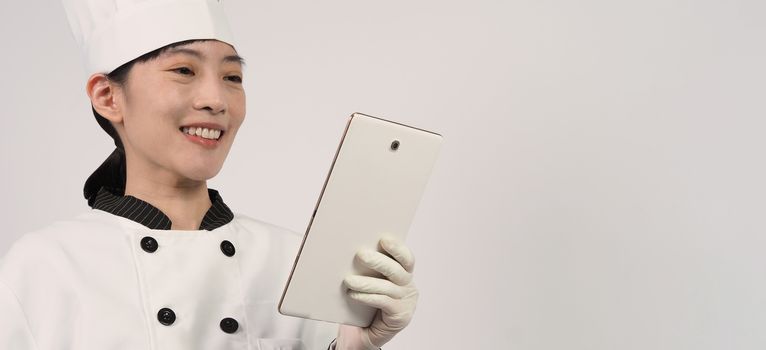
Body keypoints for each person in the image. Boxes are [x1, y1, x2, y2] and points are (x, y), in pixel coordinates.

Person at [0, 0, 418, 349]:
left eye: (232, 77)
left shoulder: (292, 262)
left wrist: (356, 347)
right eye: (184, 70)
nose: (216, 100)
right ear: (108, 97)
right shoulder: (43, 269)